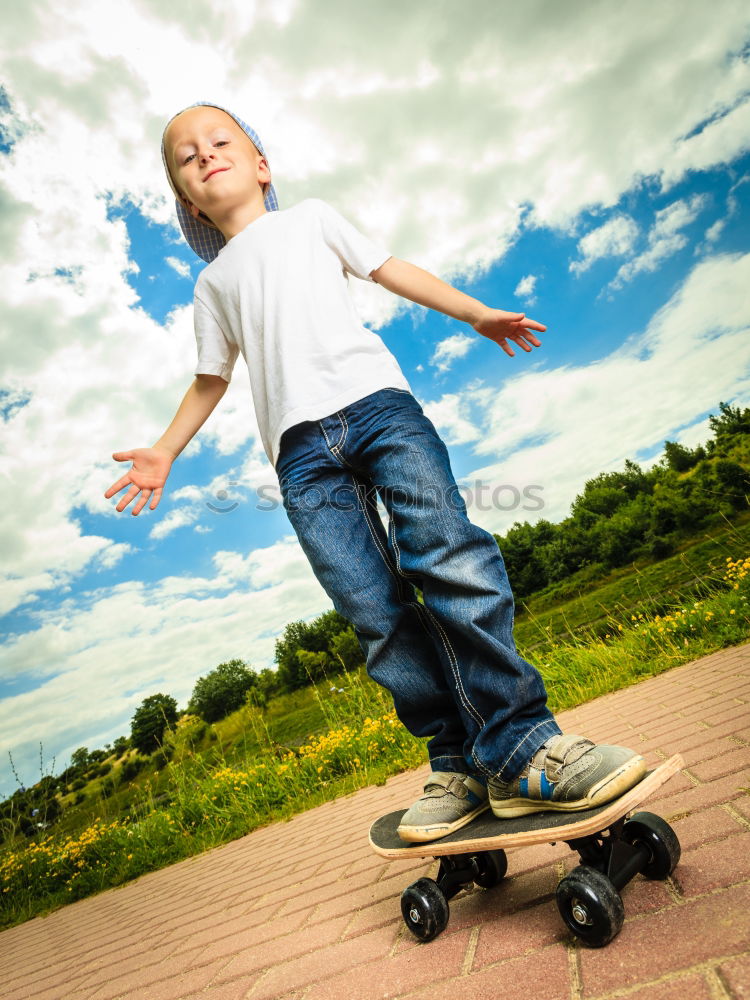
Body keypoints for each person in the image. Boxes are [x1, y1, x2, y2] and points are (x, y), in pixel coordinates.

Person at [105, 102, 647, 843]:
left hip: (379, 410)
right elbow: (210, 379)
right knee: (374, 611)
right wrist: (165, 449)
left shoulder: (313, 220)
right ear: (186, 199)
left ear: (261, 165)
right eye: (184, 156)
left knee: (448, 555)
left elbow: (391, 271)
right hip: (299, 454)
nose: (203, 155)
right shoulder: (213, 286)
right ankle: (456, 762)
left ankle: (521, 746)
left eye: (219, 140)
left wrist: (473, 313)